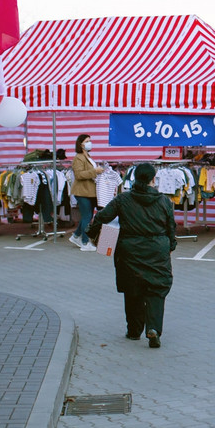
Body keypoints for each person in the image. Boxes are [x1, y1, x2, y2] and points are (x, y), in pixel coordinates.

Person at [88, 163, 177, 348]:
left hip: (129, 250)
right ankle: (153, 329)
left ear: (135, 178)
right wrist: (170, 246)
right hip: (156, 249)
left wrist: (92, 233)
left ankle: (134, 331)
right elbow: (171, 228)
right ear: (153, 179)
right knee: (156, 289)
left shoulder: (123, 199)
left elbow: (102, 216)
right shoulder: (164, 201)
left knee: (133, 289)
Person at [70, 134, 104, 252]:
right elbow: (79, 175)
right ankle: (85, 242)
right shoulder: (78, 158)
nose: (90, 143)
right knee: (87, 216)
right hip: (82, 191)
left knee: (87, 215)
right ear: (81, 144)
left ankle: (75, 236)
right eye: (87, 141)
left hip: (89, 191)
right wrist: (95, 171)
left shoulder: (88, 156)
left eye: (90, 140)